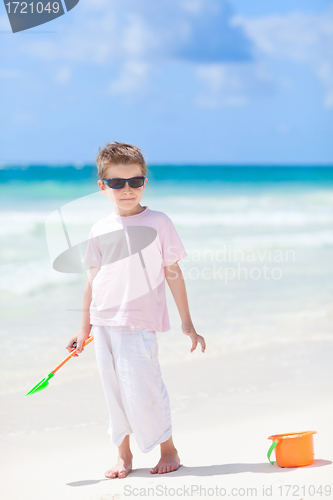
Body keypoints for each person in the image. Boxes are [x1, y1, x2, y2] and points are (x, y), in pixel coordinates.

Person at [66, 142, 206, 479]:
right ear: (103, 186)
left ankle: (168, 449)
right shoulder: (99, 229)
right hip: (103, 323)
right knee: (113, 392)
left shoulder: (159, 222)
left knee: (143, 388)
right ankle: (123, 455)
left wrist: (187, 323)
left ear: (145, 182)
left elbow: (173, 272)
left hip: (138, 323)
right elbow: (92, 281)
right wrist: (83, 328)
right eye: (117, 183)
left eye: (135, 182)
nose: (126, 190)